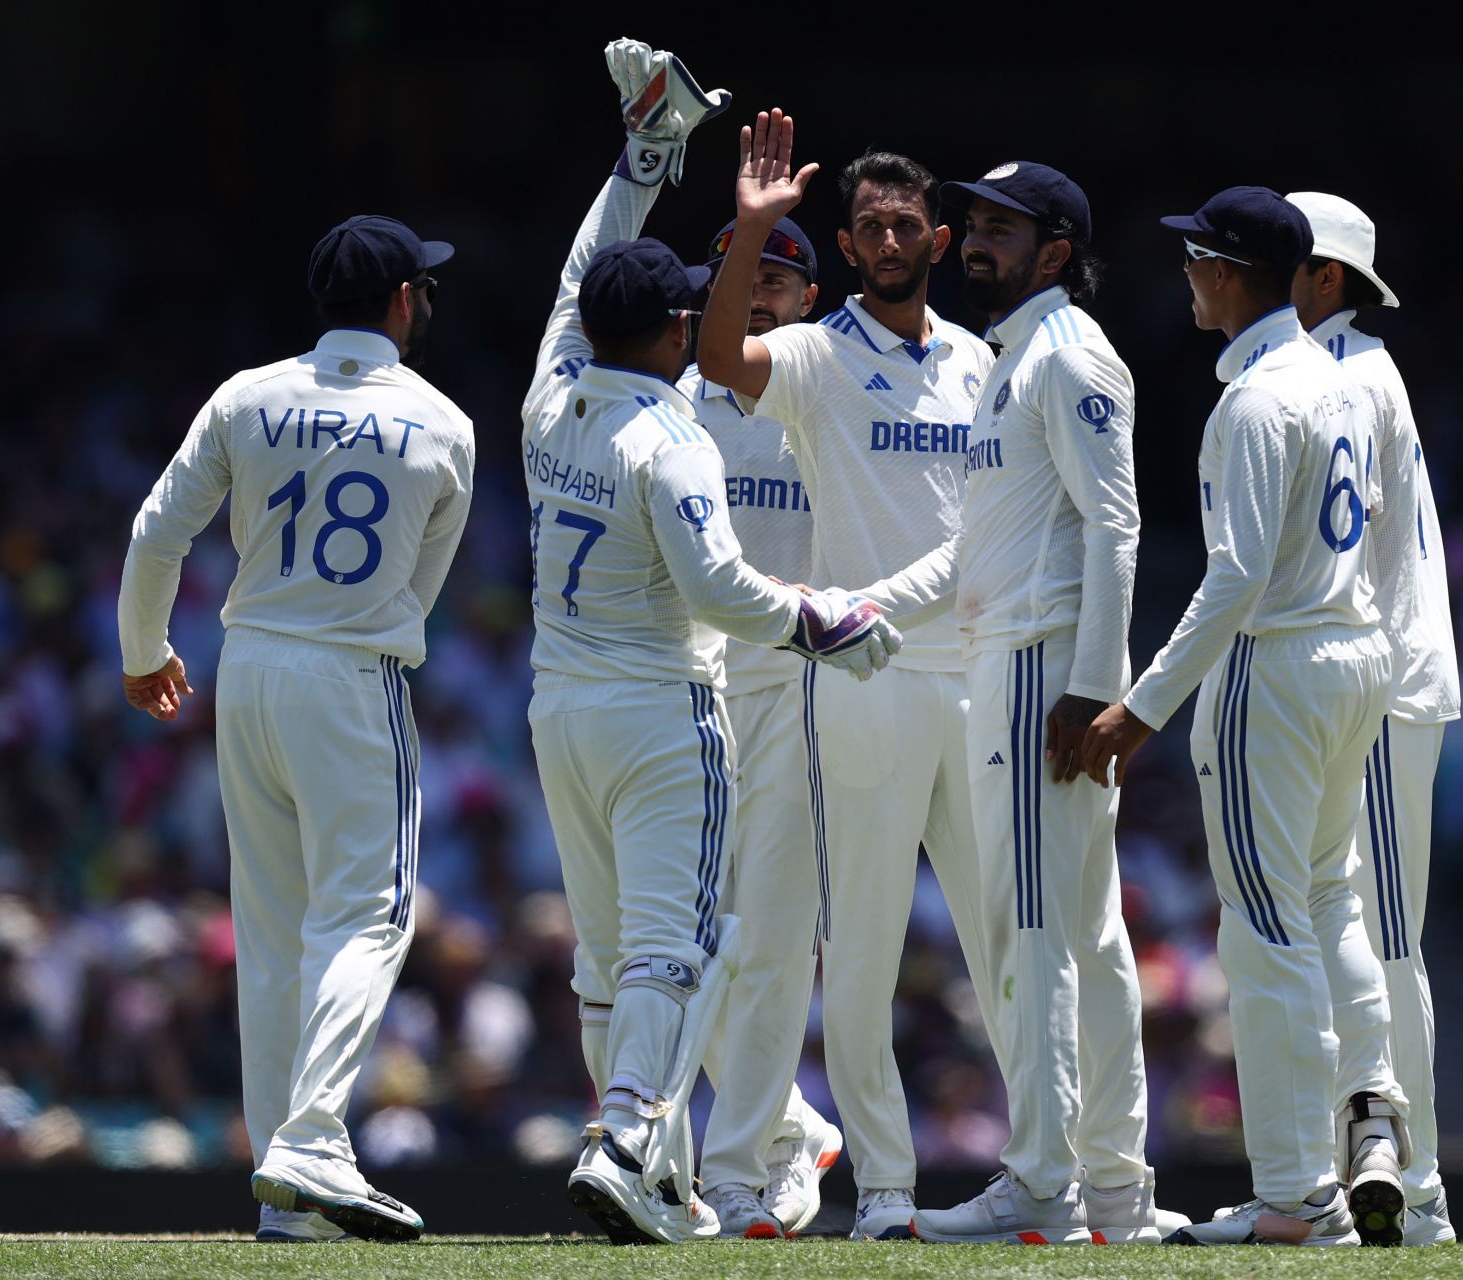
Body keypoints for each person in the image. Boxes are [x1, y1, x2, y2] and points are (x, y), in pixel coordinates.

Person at [522, 41, 898, 1246]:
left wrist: (645, 158)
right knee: (671, 950)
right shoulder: (671, 431)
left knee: (626, 954)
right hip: (669, 706)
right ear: (680, 323)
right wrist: (825, 622)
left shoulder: (550, 394)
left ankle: (655, 1154)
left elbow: (586, 271)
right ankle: (639, 1139)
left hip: (562, 708)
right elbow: (725, 587)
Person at [118, 213, 474, 1243]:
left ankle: (288, 1196)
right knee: (368, 914)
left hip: (247, 665)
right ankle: (313, 1137)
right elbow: (419, 592)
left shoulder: (248, 394)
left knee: (271, 927)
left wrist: (146, 652)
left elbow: (156, 528)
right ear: (404, 300)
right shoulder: (444, 421)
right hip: (353, 673)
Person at [1078, 186, 1411, 1247]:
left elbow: (1234, 577)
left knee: (1266, 932)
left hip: (1279, 661)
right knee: (1328, 900)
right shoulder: (1343, 375)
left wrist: (1142, 703)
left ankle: (1296, 1198)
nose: (1185, 276)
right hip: (1351, 652)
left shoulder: (1259, 397)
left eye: (1194, 260)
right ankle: (1371, 1121)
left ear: (1227, 273)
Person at [697, 110, 999, 1241]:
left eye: (903, 221)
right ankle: (882, 1187)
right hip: (859, 673)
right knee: (862, 954)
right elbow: (722, 359)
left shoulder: (982, 360)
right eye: (866, 223)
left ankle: (1044, 1172)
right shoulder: (820, 354)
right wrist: (748, 233)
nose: (885, 236)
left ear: (939, 234)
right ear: (848, 237)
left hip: (972, 678)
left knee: (1003, 938)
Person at [902, 162, 1177, 1245]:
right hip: (1013, 650)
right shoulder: (1013, 358)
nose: (975, 240)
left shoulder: (1067, 355)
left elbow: (1118, 527)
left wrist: (1092, 687)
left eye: (1001, 227)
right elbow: (985, 540)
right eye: (971, 222)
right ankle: (1113, 1188)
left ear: (1056, 250)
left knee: (1035, 930)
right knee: (1086, 932)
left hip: (1037, 664)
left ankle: (1042, 1182)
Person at [1289, 190, 1461, 1247]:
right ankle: (1339, 1176)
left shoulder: (1359, 371)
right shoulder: (1310, 371)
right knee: (1329, 933)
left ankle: (1427, 1188)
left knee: (1387, 940)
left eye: (1278, 257)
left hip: (1385, 688)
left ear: (1327, 279)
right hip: (1347, 683)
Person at [677, 216, 843, 1240]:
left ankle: (735, 1171)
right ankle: (788, 1123)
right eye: (745, 281)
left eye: (779, 281)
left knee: (773, 939)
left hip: (797, 687)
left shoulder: (826, 392)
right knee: (674, 943)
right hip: (686, 686)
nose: (760, 297)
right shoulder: (678, 398)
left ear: (810, 300)